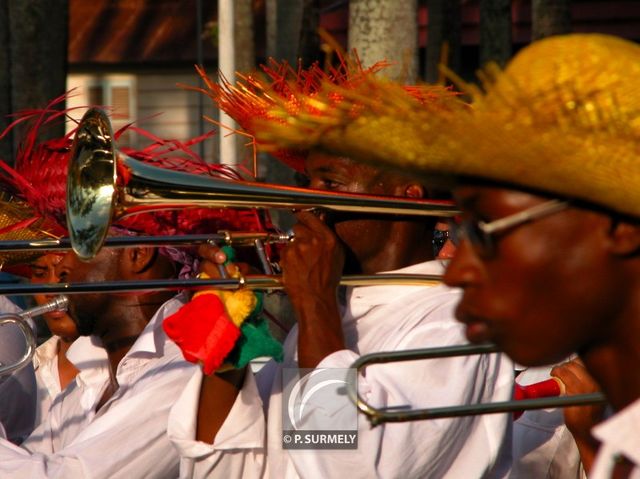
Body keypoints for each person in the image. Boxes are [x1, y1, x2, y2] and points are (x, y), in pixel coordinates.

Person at [258, 34, 640, 479]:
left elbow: (341, 468)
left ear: (619, 227)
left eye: (487, 230)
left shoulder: (447, 324)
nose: (455, 269)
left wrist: (315, 303)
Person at [169, 57, 514, 478]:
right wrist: (227, 347)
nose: (303, 204)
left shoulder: (457, 322)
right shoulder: (325, 323)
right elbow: (227, 468)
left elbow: (346, 467)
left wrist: (315, 303)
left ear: (407, 198)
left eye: (330, 184)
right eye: (308, 185)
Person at [29, 253, 80, 427]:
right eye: (40, 273)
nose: (51, 291)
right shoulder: (24, 371)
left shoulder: (127, 368)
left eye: (64, 273)